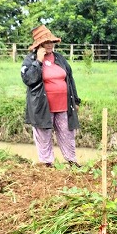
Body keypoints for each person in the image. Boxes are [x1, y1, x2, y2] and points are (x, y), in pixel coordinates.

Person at [21, 24, 82, 168]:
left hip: (63, 105)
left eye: (51, 42)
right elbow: (28, 79)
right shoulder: (30, 60)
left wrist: (76, 100)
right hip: (42, 106)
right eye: (46, 42)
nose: (49, 45)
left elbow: (70, 79)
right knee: (43, 135)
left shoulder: (60, 58)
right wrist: (39, 62)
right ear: (39, 44)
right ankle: (47, 163)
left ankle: (72, 161)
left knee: (67, 133)